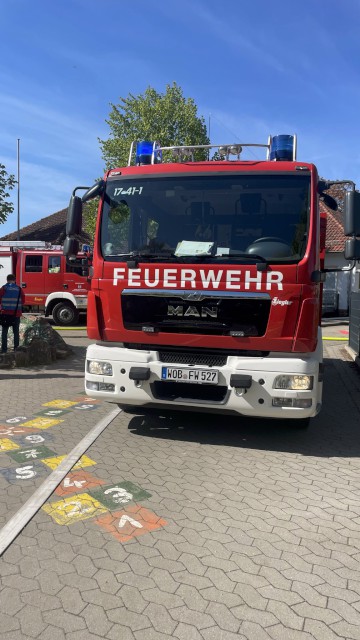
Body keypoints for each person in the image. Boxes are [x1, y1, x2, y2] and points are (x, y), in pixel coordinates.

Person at [0, 274, 25, 353]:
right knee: (16, 332)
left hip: (5, 314)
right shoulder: (19, 289)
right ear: (15, 280)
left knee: (4, 332)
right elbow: (23, 301)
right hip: (16, 314)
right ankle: (16, 349)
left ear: (7, 280)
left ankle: (4, 350)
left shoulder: (3, 288)